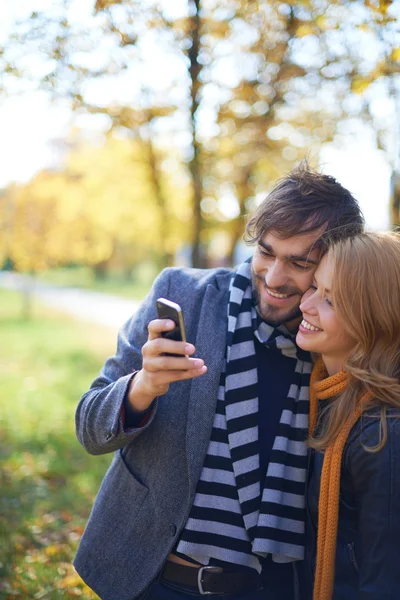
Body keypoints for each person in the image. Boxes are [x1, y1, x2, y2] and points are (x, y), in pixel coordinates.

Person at [73, 163, 363, 600]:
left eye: (300, 263)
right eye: (266, 252)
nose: (274, 277)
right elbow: (88, 428)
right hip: (154, 580)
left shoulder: (340, 342)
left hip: (276, 589)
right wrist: (143, 386)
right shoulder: (182, 293)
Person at [296, 232, 400, 600]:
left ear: (372, 319)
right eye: (314, 288)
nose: (306, 305)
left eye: (330, 301)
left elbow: (385, 584)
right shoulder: (324, 394)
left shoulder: (384, 433)